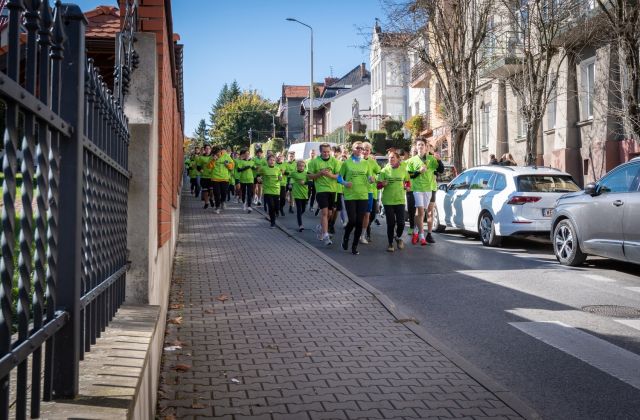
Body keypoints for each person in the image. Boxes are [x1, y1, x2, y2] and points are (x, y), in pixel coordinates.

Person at [339, 141, 374, 255]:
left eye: (361, 148)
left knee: (359, 222)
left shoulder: (366, 163)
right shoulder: (346, 163)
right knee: (352, 221)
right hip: (350, 195)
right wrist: (344, 183)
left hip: (363, 195)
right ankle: (346, 237)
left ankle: (354, 246)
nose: (360, 150)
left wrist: (371, 179)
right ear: (353, 149)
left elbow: (369, 177)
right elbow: (339, 178)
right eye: (357, 148)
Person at [406, 138, 439, 246]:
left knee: (422, 212)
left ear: (426, 147)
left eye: (422, 145)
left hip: (429, 189)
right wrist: (418, 172)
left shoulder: (431, 159)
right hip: (416, 189)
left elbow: (440, 170)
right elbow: (409, 175)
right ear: (416, 147)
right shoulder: (411, 160)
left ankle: (416, 230)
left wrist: (439, 161)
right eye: (418, 145)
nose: (420, 147)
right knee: (420, 211)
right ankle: (421, 235)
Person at [307, 143, 340, 246]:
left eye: (328, 151)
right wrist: (319, 174)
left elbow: (339, 176)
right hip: (321, 190)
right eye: (324, 152)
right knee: (325, 213)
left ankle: (321, 227)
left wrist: (330, 175)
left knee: (330, 214)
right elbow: (309, 176)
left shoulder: (335, 161)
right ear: (320, 152)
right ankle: (326, 235)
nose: (326, 153)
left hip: (332, 190)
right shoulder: (315, 162)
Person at [377, 151, 410, 252]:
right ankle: (390, 244)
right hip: (388, 201)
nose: (390, 160)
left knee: (401, 223)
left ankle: (398, 237)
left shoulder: (403, 170)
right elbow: (377, 186)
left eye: (393, 158)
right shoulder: (384, 171)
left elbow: (407, 181)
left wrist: (407, 187)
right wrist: (382, 184)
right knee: (390, 223)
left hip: (400, 200)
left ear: (398, 159)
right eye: (389, 158)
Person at [361, 141, 381, 244]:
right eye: (363, 149)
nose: (365, 152)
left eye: (367, 150)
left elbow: (379, 173)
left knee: (371, 214)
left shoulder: (372, 162)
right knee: (362, 214)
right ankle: (364, 233)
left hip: (371, 191)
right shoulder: (356, 161)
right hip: (358, 192)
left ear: (370, 151)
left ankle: (366, 230)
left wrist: (375, 178)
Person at [257, 154, 282, 228]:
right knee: (271, 206)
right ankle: (272, 222)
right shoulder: (263, 168)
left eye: (273, 160)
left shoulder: (277, 168)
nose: (272, 161)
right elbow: (258, 175)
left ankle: (277, 211)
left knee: (276, 207)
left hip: (276, 190)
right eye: (270, 160)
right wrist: (259, 178)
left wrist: (280, 177)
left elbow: (280, 177)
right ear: (267, 161)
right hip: (267, 190)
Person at [211, 146, 235, 214]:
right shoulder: (212, 157)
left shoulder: (226, 156)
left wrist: (227, 165)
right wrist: (213, 160)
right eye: (215, 153)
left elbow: (232, 166)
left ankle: (223, 201)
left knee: (224, 192)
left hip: (224, 178)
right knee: (217, 193)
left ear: (220, 151)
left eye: (218, 153)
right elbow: (209, 167)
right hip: (215, 178)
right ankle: (217, 207)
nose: (217, 154)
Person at [289, 159, 309, 232]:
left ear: (304, 167)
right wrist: (290, 184)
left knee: (303, 209)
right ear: (297, 166)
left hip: (304, 194)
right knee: (299, 209)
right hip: (297, 194)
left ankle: (299, 216)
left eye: (302, 166)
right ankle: (300, 225)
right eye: (300, 166)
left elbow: (311, 183)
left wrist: (305, 183)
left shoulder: (306, 174)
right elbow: (289, 177)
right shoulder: (293, 173)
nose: (301, 167)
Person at [235, 148, 255, 213]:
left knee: (249, 193)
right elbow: (239, 170)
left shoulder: (252, 161)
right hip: (243, 179)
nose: (247, 155)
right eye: (246, 154)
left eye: (248, 154)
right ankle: (244, 203)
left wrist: (255, 168)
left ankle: (249, 206)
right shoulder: (241, 161)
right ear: (244, 155)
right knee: (243, 192)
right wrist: (246, 167)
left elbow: (254, 168)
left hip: (250, 179)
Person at [197, 144, 214, 209]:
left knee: (212, 191)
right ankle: (206, 203)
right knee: (205, 191)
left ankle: (211, 199)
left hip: (212, 176)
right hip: (204, 177)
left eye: (209, 148)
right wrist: (201, 170)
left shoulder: (213, 157)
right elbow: (198, 166)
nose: (207, 150)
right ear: (204, 150)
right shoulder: (201, 158)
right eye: (206, 148)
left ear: (210, 149)